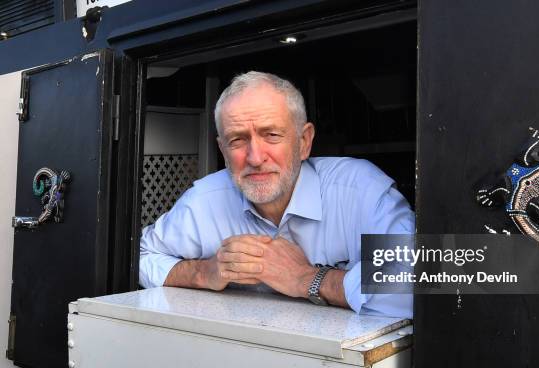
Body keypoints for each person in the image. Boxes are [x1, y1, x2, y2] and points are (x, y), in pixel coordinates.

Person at [139, 71, 415, 317]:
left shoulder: (359, 190)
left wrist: (307, 278)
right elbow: (141, 255)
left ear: (304, 142)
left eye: (271, 135)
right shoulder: (205, 200)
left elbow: (435, 277)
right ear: (222, 150)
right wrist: (203, 272)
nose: (255, 157)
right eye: (237, 140)